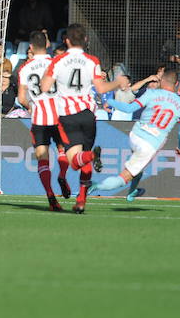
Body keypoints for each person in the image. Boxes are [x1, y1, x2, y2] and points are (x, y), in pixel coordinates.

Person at [40, 23, 129, 214]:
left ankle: (92, 156)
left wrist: (46, 76)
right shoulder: (92, 60)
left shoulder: (59, 60)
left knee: (75, 160)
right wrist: (118, 82)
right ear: (86, 40)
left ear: (66, 40)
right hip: (89, 115)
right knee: (84, 159)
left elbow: (45, 87)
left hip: (67, 115)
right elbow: (102, 88)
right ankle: (81, 200)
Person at [88, 69, 180, 202]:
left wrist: (111, 102)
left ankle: (132, 192)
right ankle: (95, 186)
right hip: (151, 143)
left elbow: (129, 108)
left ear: (162, 80)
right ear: (176, 84)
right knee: (124, 177)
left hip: (135, 135)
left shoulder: (152, 93)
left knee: (139, 167)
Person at [17, 31, 71, 211]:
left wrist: (31, 106)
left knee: (42, 158)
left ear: (30, 47)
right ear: (48, 45)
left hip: (39, 118)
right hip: (58, 116)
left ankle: (50, 197)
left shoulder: (25, 68)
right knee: (63, 150)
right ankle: (62, 175)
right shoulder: (57, 63)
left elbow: (22, 98)